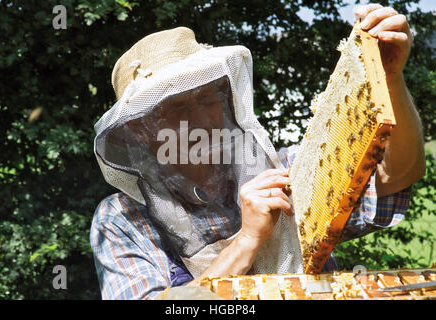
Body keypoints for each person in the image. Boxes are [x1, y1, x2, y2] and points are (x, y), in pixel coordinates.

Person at [90, 4, 425, 299]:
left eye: (207, 100)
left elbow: (397, 177)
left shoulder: (283, 170)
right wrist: (247, 240)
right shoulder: (121, 219)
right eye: (178, 109)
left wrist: (390, 80)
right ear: (142, 131)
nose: (201, 121)